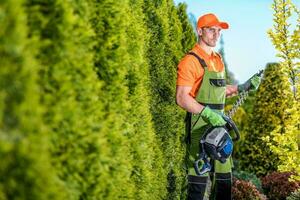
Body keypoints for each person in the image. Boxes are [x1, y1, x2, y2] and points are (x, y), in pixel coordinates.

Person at [176, 13, 261, 200]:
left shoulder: (217, 58)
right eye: (211, 30)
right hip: (200, 129)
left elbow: (221, 89)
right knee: (198, 183)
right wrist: (208, 113)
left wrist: (243, 87)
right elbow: (182, 98)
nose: (216, 35)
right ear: (199, 31)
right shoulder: (190, 61)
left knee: (224, 181)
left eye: (219, 31)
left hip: (220, 129)